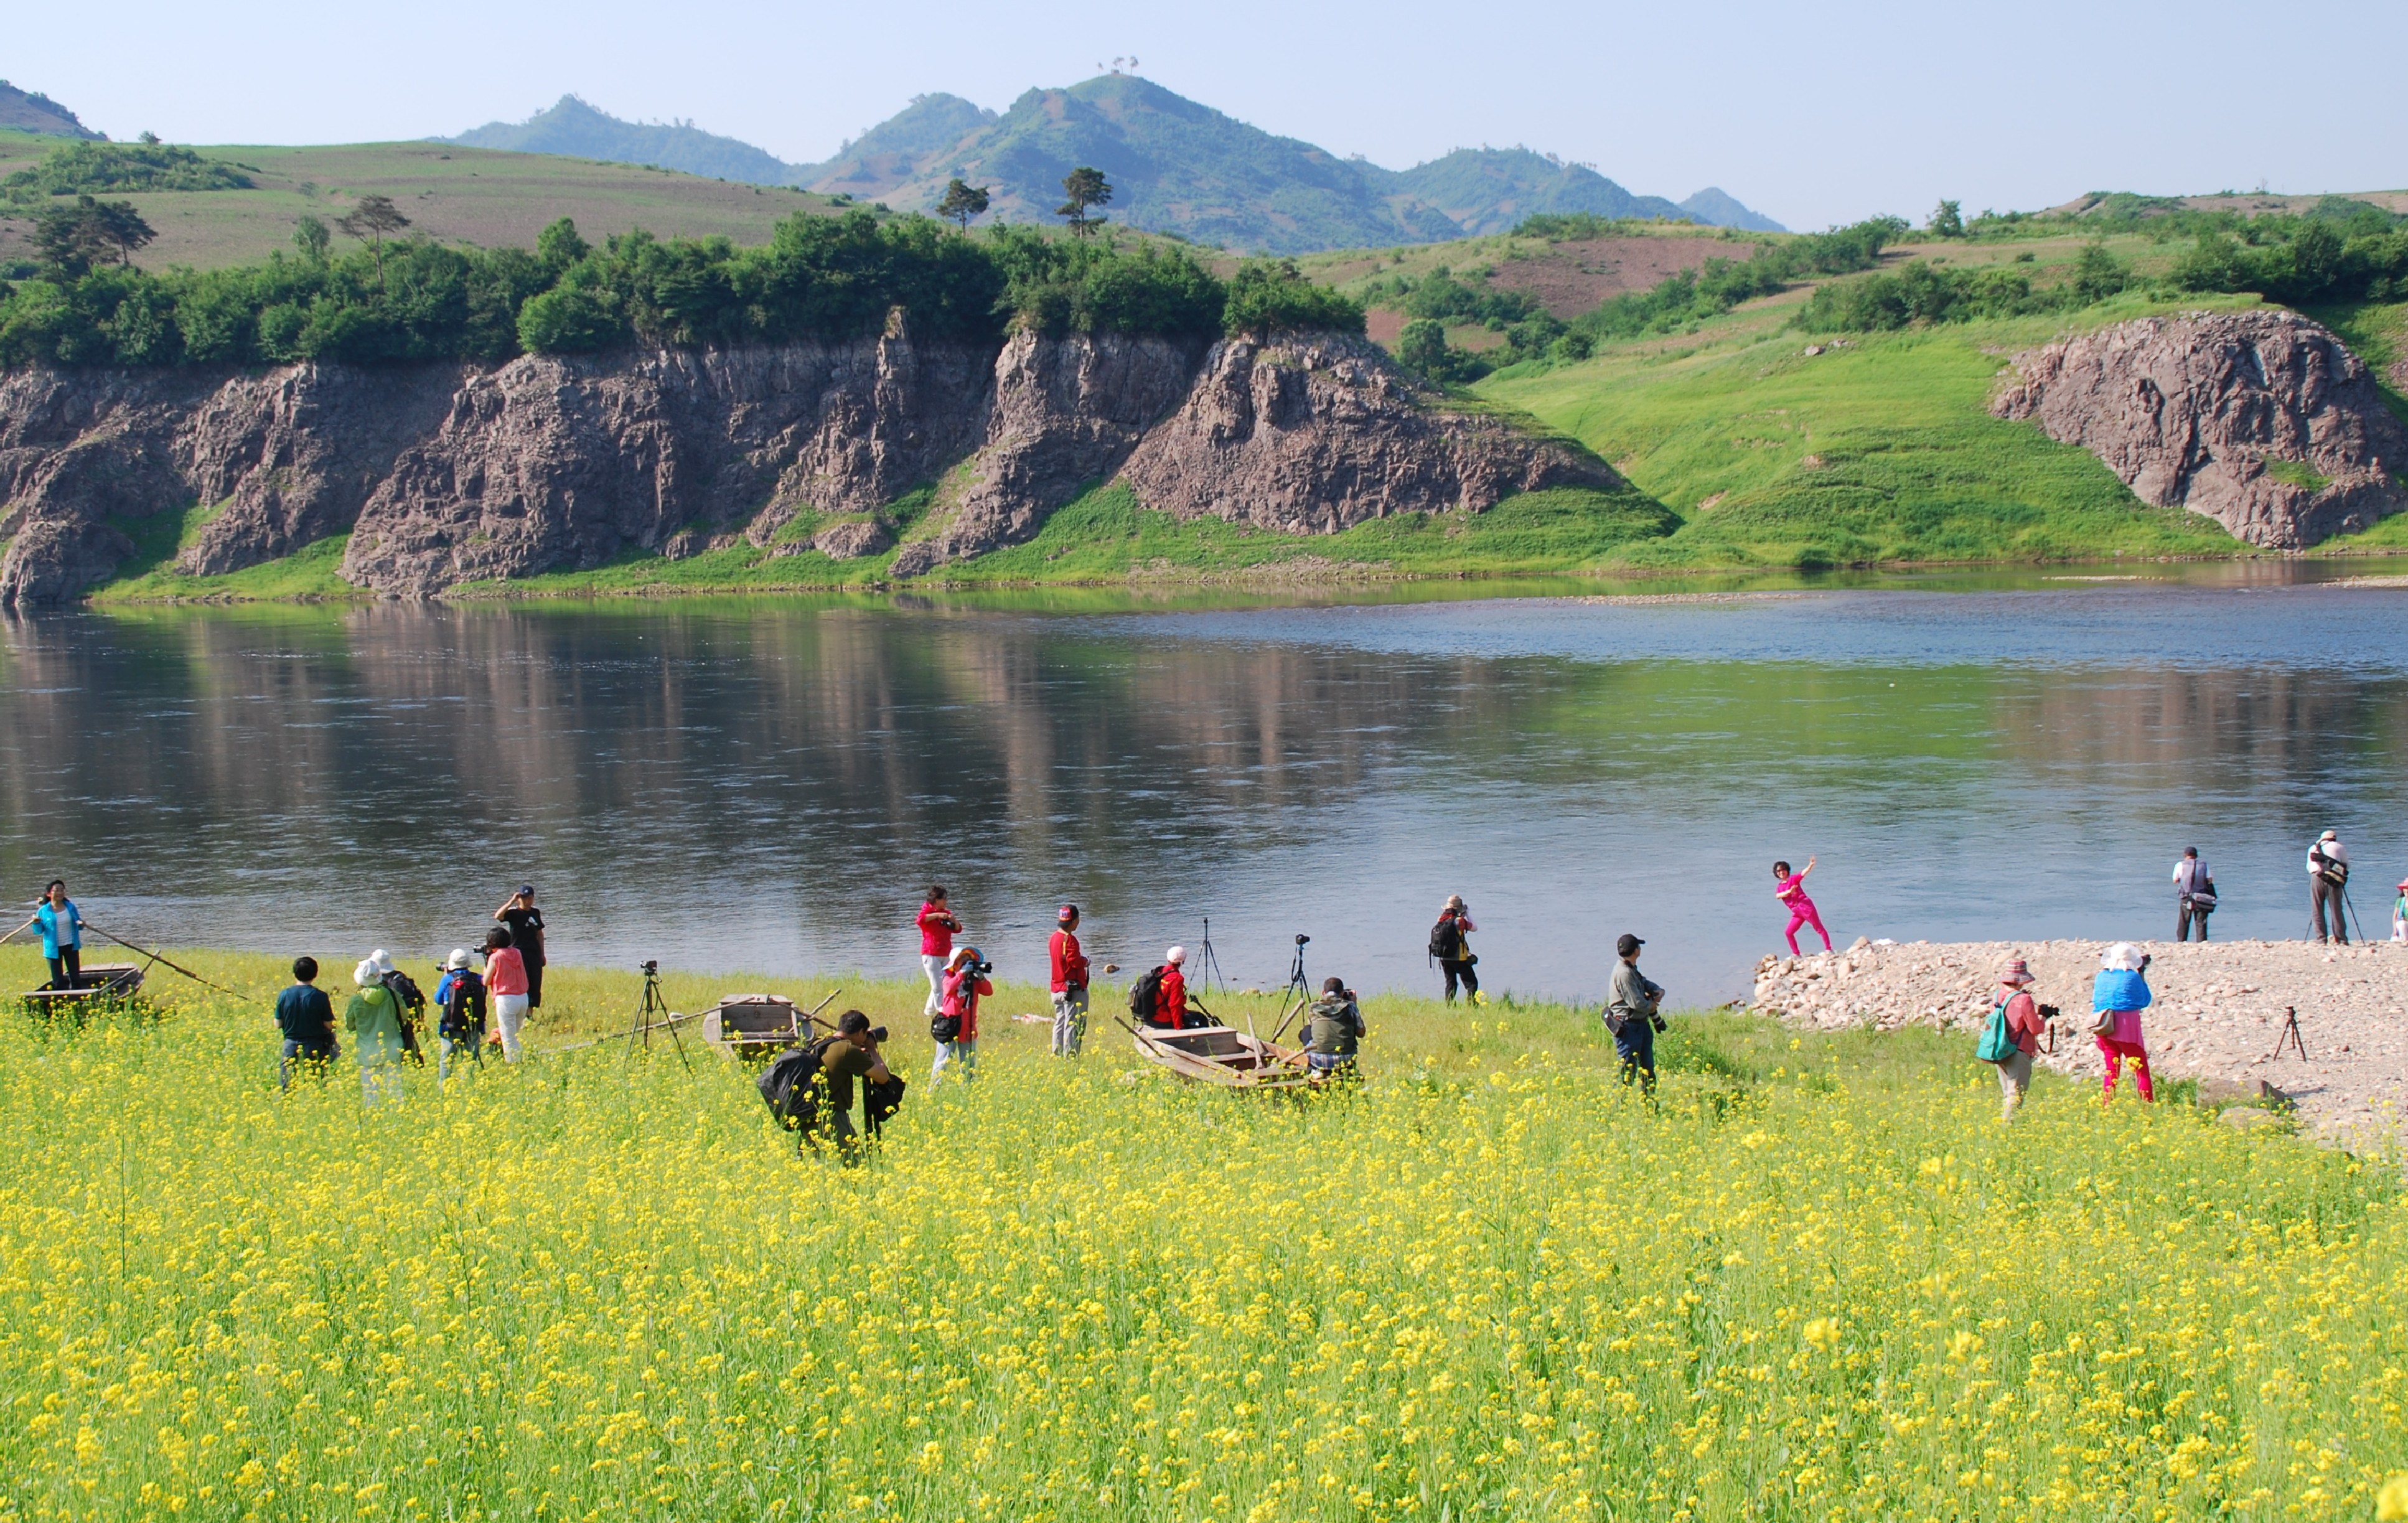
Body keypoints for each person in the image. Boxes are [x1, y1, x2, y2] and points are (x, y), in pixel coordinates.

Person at [816, 1012, 897, 1161]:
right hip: (833, 1118)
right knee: (855, 1168)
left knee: (826, 1170)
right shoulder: (847, 1050)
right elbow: (883, 1077)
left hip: (810, 1116)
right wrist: (872, 1049)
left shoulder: (820, 1043)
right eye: (865, 1034)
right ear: (860, 1032)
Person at [2092, 942, 2155, 1104]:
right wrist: (2142, 974)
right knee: (2141, 1070)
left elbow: (2097, 1000)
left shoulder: (2102, 976)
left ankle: (2107, 1104)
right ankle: (2147, 1105)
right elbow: (2144, 1000)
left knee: (2111, 1070)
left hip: (2105, 1026)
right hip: (2126, 1028)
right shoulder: (2132, 977)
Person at [1605, 933, 1665, 1096]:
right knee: (1626, 1073)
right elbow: (1637, 1003)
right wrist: (1652, 1006)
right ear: (1636, 951)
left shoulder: (1629, 967)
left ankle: (1650, 1105)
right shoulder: (1624, 973)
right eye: (1639, 946)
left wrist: (1656, 990)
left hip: (1640, 1025)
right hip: (1629, 1028)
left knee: (1648, 1071)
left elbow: (1642, 981)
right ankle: (1617, 1108)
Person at [344, 958, 409, 1108]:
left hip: (368, 1051)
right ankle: (396, 1122)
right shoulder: (392, 994)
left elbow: (350, 1025)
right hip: (392, 1048)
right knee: (395, 1092)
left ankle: (374, 1122)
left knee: (371, 1095)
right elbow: (404, 1016)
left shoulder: (356, 1000)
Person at [1989, 957, 2047, 1121]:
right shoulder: (2024, 999)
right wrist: (2043, 1017)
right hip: (2019, 1050)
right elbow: (2036, 1029)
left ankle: (2009, 1127)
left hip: (2000, 1048)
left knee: (2008, 1092)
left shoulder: (1997, 996)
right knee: (2016, 1096)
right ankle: (2005, 1129)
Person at [930, 945, 991, 1089]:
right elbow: (948, 989)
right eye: (962, 961)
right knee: (942, 1062)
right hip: (950, 1027)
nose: (966, 963)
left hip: (968, 1028)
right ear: (955, 965)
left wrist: (981, 977)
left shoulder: (974, 982)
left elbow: (989, 991)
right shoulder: (948, 978)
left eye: (968, 960)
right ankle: (933, 1091)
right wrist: (961, 975)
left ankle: (968, 1091)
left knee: (968, 1064)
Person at [274, 955, 337, 1090]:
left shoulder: (284, 994)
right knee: (318, 1083)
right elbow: (328, 1025)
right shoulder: (320, 996)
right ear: (315, 974)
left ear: (295, 973)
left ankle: (287, 1107)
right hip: (315, 1045)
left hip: (290, 1044)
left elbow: (278, 1024)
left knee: (288, 1085)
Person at [21, 880, 85, 991]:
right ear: (49, 894)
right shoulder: (43, 911)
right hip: (53, 949)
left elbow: (78, 924)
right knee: (58, 980)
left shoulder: (70, 907)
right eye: (56, 890)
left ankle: (78, 1001)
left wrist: (81, 924)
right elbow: (38, 931)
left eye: (62, 890)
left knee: (75, 978)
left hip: (71, 946)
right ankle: (60, 1002)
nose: (60, 893)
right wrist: (36, 923)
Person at [433, 949, 487, 1080]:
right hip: (473, 1026)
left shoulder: (447, 979)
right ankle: (467, 1086)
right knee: (469, 1062)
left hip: (451, 1027)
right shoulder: (479, 978)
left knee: (447, 1061)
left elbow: (438, 1000)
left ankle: (444, 1089)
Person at [1301, 977, 1367, 1084]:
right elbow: (1361, 1033)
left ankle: (1315, 1069)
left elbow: (1315, 1030)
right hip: (1346, 1060)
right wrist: (1354, 1004)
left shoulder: (1313, 1007)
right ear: (1342, 993)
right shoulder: (1350, 1007)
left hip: (1318, 1060)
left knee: (1306, 1030)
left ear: (1323, 992)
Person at [371, 949, 428, 1066]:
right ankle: (418, 1065)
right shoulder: (399, 976)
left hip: (393, 1021)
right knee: (409, 1042)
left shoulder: (382, 981)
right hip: (408, 1017)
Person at [495, 887, 548, 1010]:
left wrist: (542, 953)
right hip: (518, 952)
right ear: (519, 899)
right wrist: (511, 901)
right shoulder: (514, 913)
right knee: (523, 981)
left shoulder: (535, 912)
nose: (527, 901)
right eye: (524, 898)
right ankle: (521, 1011)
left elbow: (539, 933)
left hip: (534, 952)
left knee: (535, 981)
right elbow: (498, 916)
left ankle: (530, 1013)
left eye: (530, 898)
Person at [1049, 904, 1090, 1057]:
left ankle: (1057, 1053)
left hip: (1056, 987)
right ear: (1074, 921)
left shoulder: (1054, 937)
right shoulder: (1070, 940)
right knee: (1074, 1023)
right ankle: (1071, 1056)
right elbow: (1074, 961)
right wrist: (1085, 961)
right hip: (1072, 989)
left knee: (1060, 1021)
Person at [484, 927, 530, 1063]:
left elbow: (486, 981)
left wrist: (486, 965)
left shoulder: (495, 957)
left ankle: (513, 1063)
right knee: (513, 1034)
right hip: (523, 998)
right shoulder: (517, 953)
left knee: (507, 1037)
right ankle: (518, 1058)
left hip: (506, 999)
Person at [1430, 895, 1485, 1006]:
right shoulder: (1460, 921)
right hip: (1459, 958)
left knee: (1451, 983)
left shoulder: (1441, 919)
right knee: (1471, 983)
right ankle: (1472, 1005)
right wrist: (1468, 914)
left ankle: (1449, 1006)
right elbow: (1474, 928)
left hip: (1444, 958)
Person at [1773, 858, 1833, 957]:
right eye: (1778, 871)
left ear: (1787, 870)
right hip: (1796, 912)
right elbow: (1778, 896)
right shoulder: (1780, 887)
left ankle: (1829, 949)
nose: (1781, 872)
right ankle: (1796, 954)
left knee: (1819, 928)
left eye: (1783, 870)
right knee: (1789, 932)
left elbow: (1803, 873)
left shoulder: (1793, 879)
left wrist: (1810, 865)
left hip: (1805, 907)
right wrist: (1789, 892)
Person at [917, 886, 961, 1018]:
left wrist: (953, 920)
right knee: (937, 986)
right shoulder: (926, 912)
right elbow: (920, 920)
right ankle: (942, 1013)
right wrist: (937, 915)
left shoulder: (946, 913)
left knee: (940, 984)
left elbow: (958, 929)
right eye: (944, 899)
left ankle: (928, 1012)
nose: (946, 901)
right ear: (937, 900)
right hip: (930, 954)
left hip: (946, 953)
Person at [2307, 830, 2350, 944]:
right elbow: (2346, 865)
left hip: (2316, 876)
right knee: (2336, 909)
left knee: (2317, 908)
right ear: (2334, 838)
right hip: (2333, 879)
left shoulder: (2313, 848)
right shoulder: (2340, 847)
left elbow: (2309, 867)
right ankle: (2341, 939)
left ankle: (2321, 939)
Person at [2172, 848, 2214, 942]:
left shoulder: (2180, 865)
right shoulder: (2204, 865)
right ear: (2196, 855)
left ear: (2185, 855)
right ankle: (2202, 942)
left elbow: (2175, 880)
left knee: (2184, 920)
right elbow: (2210, 879)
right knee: (2201, 921)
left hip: (2186, 895)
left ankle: (2181, 941)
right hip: (2201, 897)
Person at [1157, 945, 1192, 1029]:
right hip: (1163, 1019)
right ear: (1182, 961)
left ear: (1168, 960)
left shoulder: (1160, 972)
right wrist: (1178, 1027)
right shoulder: (1177, 979)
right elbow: (1174, 1005)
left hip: (1152, 1016)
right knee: (1200, 1020)